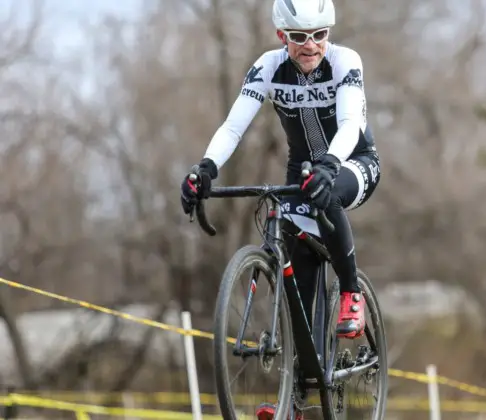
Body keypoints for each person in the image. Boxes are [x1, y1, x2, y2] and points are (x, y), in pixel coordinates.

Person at [179, 0, 380, 417]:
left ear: (329, 33)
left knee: (327, 196)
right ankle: (298, 394)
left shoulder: (345, 61)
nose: (311, 46)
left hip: (353, 163)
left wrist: (329, 165)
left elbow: (350, 124)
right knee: (297, 279)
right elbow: (234, 125)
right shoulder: (268, 67)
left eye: (319, 35)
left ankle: (349, 292)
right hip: (302, 172)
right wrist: (206, 167)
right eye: (300, 37)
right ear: (281, 37)